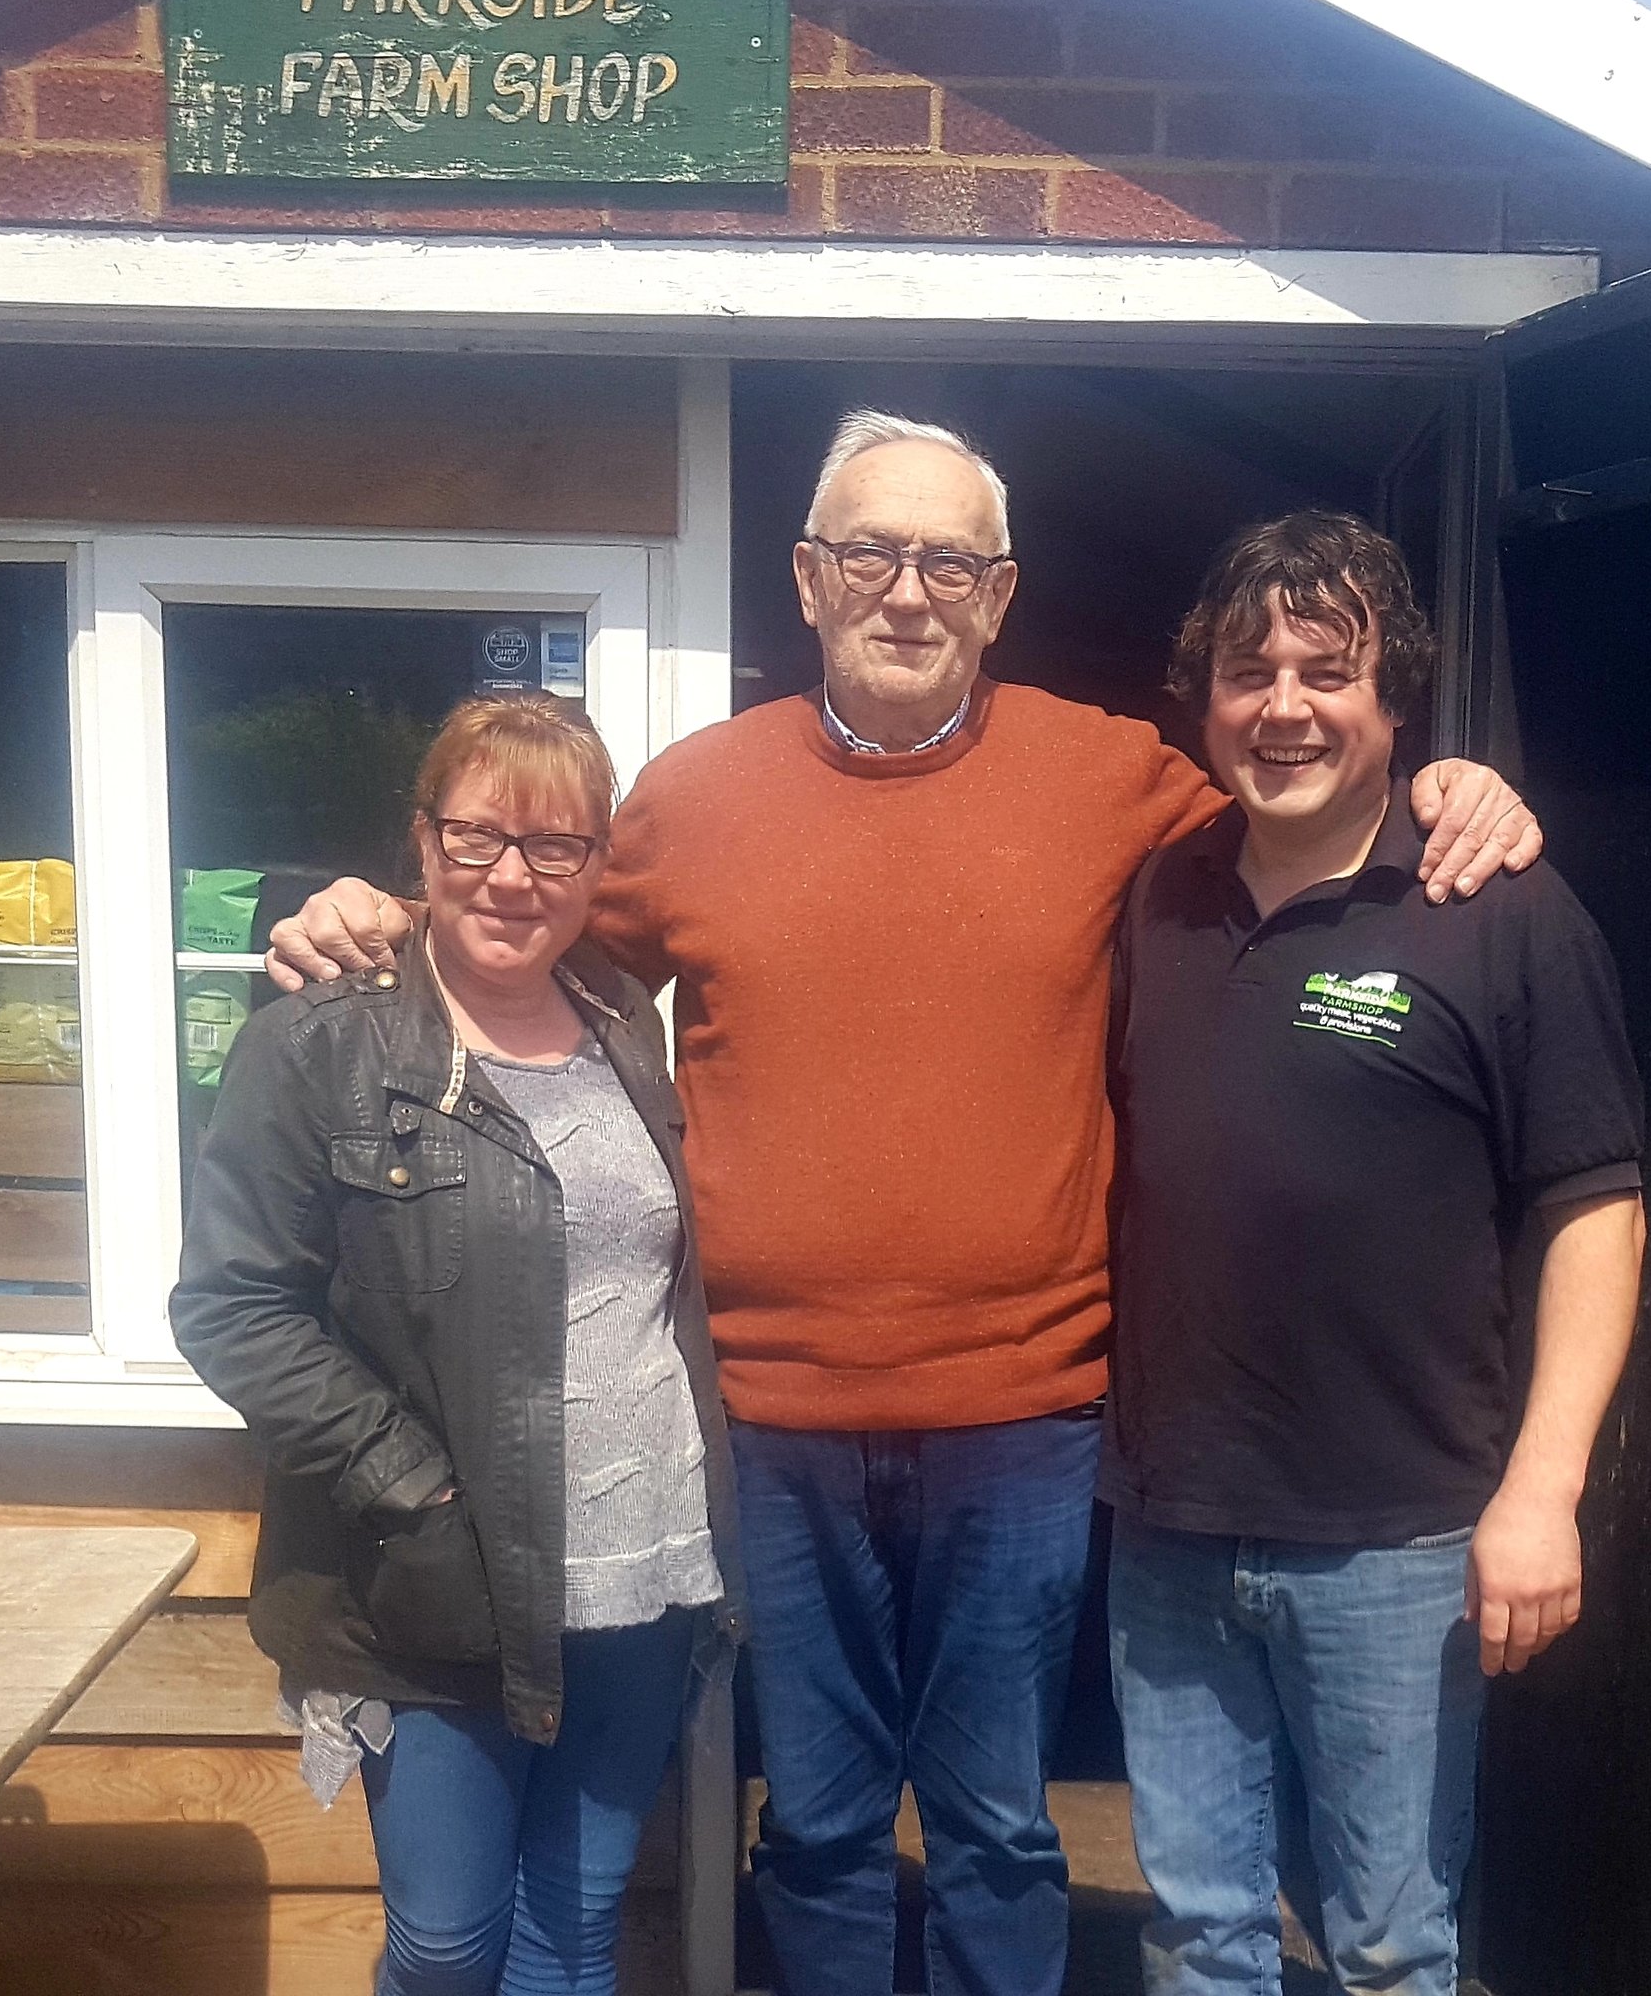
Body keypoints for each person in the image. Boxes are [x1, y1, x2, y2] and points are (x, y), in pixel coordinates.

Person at [262, 414, 1543, 1996]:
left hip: (1024, 1420)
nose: (909, 592)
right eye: (871, 552)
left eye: (950, 560)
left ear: (1001, 596)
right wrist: (369, 905)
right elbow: (516, 923)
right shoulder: (690, 798)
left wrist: (1454, 784)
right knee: (816, 1823)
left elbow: (1311, 785)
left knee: (1001, 1824)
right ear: (807, 578)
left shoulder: (1112, 778)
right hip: (772, 1424)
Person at [1103, 511, 1646, 1995]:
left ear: (1393, 698)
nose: (1283, 705)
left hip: (1400, 1542)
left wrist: (1544, 1490)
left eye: (1325, 669)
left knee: (1394, 1949)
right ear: (1203, 699)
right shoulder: (1158, 899)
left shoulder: (1497, 907)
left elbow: (1596, 1209)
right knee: (1199, 1936)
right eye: (1248, 669)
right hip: (1171, 1525)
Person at [169, 692, 746, 1996]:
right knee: (443, 1945)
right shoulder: (320, 1041)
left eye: (555, 846)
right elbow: (232, 1307)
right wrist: (414, 1487)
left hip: (642, 1570)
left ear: (597, 868)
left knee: (572, 1932)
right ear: (420, 845)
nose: (511, 876)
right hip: (433, 1581)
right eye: (477, 836)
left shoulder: (619, 1023)